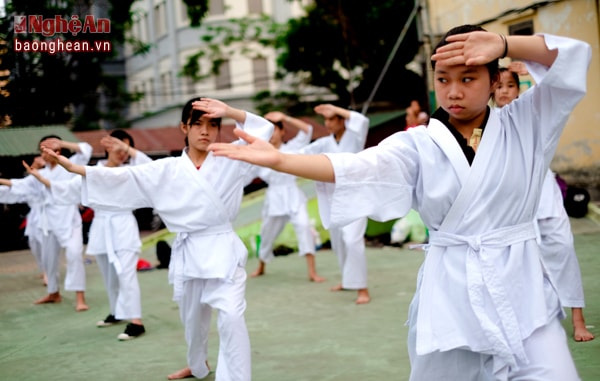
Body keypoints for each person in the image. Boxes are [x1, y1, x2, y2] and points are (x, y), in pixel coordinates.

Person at [209, 25, 591, 380]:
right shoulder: (417, 144)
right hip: (453, 296)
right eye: (443, 80)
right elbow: (359, 167)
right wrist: (281, 160)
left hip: (524, 295)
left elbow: (574, 59)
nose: (453, 92)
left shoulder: (528, 123)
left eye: (468, 79)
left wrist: (505, 43)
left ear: (494, 81)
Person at [43, 97, 273, 381]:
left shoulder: (232, 157)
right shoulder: (166, 169)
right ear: (184, 127)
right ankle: (197, 365)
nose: (206, 131)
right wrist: (74, 168)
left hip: (222, 249)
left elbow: (264, 132)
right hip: (189, 251)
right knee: (192, 320)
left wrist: (230, 111)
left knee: (232, 319)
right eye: (198, 124)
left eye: (213, 125)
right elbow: (124, 178)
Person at [493, 65, 594, 343]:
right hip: (510, 199)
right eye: (499, 86)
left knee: (563, 248)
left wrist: (533, 72)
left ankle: (577, 318)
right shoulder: (487, 121)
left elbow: (553, 88)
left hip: (544, 193)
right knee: (517, 261)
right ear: (491, 89)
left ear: (519, 88)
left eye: (510, 85)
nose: (504, 91)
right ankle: (524, 321)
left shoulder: (533, 111)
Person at [24, 130, 153, 341]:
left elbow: (149, 166)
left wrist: (127, 147)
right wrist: (40, 178)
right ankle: (116, 312)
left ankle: (136, 321)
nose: (121, 152)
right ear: (108, 146)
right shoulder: (96, 170)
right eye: (117, 146)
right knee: (108, 275)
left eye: (125, 148)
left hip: (123, 226)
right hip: (101, 226)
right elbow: (68, 188)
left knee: (126, 274)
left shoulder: (132, 170)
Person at [2, 136, 92, 311]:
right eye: (41, 150)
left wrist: (63, 143)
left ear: (57, 151)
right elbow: (18, 185)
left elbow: (86, 149)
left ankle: (80, 297)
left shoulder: (69, 165)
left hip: (69, 219)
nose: (43, 154)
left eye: (47, 149)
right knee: (48, 260)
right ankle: (53, 293)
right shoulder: (41, 174)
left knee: (74, 255)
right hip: (48, 222)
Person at [302, 103, 371, 304]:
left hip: (356, 197)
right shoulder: (324, 143)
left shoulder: (355, 136)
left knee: (352, 241)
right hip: (333, 198)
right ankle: (346, 280)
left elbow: (362, 121)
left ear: (342, 120)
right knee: (339, 242)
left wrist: (336, 109)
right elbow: (301, 153)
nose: (328, 123)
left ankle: (362, 288)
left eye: (333, 119)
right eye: (327, 119)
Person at [248, 111, 325, 282]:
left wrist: (285, 118)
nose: (273, 134)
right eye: (269, 130)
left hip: (292, 194)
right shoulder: (259, 154)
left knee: (304, 226)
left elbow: (308, 130)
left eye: (275, 129)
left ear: (282, 131)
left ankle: (312, 272)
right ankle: (261, 265)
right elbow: (245, 176)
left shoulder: (292, 148)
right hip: (274, 197)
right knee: (267, 232)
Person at [0, 156, 48, 285]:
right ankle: (44, 270)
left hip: (47, 214)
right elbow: (17, 189)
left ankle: (49, 273)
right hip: (34, 215)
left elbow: (17, 184)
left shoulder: (47, 174)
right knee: (34, 244)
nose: (37, 159)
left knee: (45, 244)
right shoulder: (30, 180)